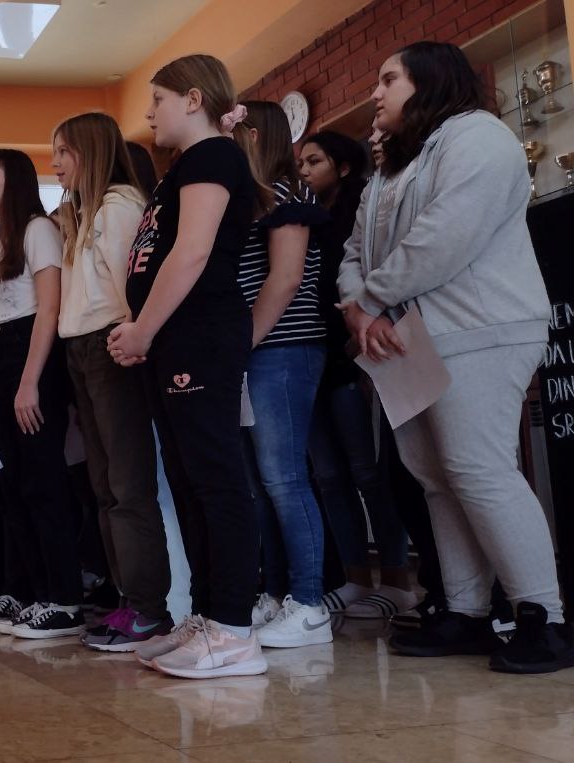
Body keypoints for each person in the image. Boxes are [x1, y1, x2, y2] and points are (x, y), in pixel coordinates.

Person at [337, 41, 571, 674]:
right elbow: (355, 251)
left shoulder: (479, 137)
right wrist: (358, 308)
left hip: (480, 326)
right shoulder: (393, 167)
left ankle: (545, 618)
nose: (376, 93)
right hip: (406, 336)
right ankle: (466, 612)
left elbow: (443, 238)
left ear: (429, 81)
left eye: (388, 79)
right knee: (436, 477)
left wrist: (369, 302)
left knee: (478, 467)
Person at [107, 54, 265, 679]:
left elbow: (193, 251)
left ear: (194, 99)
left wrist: (143, 328)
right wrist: (143, 328)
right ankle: (204, 614)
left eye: (158, 100)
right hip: (173, 339)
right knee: (189, 476)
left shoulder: (212, 156)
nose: (149, 114)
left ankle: (234, 628)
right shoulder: (181, 169)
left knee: (216, 477)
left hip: (199, 335)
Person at [50, 112, 175, 652]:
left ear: (92, 151)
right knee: (105, 487)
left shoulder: (121, 205)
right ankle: (128, 598)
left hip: (111, 344)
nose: (55, 163)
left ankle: (150, 609)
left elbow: (134, 286)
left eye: (64, 152)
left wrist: (131, 338)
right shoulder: (87, 211)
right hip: (82, 347)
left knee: (127, 486)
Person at [0, 148, 82, 640]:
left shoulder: (37, 229)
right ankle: (33, 592)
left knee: (42, 482)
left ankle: (65, 599)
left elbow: (48, 309)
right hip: (0, 366)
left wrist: (30, 381)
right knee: (9, 486)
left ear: (14, 181)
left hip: (35, 361)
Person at [299, 130, 418, 620]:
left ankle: (397, 578)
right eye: (301, 163)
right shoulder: (308, 217)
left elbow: (365, 277)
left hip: (355, 351)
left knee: (369, 471)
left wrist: (358, 332)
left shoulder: (359, 213)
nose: (304, 171)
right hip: (314, 354)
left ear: (343, 167)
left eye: (314, 161)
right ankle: (354, 578)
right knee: (329, 476)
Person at [228, 101, 333, 649]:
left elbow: (286, 278)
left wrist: (243, 340)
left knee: (285, 479)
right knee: (261, 484)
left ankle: (310, 603)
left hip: (284, 347)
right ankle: (275, 594)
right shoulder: (250, 199)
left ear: (254, 135)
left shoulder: (287, 194)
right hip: (255, 352)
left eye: (232, 130)